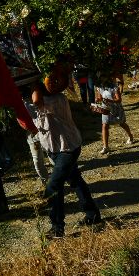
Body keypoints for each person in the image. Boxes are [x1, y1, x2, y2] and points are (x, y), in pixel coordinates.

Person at [30, 81, 101, 238]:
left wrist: (32, 85)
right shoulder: (39, 104)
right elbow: (32, 125)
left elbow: (36, 101)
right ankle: (93, 215)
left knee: (54, 187)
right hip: (55, 150)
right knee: (75, 180)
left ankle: (57, 227)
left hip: (68, 149)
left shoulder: (56, 100)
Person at [95, 73, 134, 155]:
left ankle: (130, 136)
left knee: (122, 123)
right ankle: (106, 147)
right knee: (105, 125)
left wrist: (110, 101)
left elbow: (119, 100)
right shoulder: (99, 87)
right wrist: (97, 99)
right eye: (100, 77)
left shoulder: (114, 87)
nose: (101, 79)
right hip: (106, 108)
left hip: (116, 108)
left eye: (103, 77)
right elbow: (99, 97)